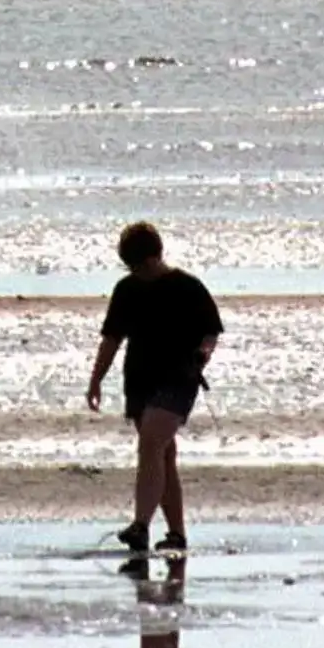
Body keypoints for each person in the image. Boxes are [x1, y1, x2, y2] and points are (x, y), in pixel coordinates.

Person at [85, 222, 223, 556]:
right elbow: (112, 338)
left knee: (150, 443)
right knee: (162, 455)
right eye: (131, 268)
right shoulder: (126, 290)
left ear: (154, 258)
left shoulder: (188, 287)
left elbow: (211, 331)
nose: (138, 273)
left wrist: (203, 353)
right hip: (139, 381)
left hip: (179, 379)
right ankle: (176, 534)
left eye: (140, 266)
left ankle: (140, 526)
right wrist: (96, 378)